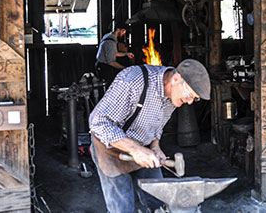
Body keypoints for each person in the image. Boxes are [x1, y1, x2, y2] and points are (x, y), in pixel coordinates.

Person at [88, 59, 210, 213]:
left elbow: (157, 125)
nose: (190, 101)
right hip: (110, 149)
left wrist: (155, 146)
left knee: (158, 200)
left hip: (143, 147)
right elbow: (98, 122)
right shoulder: (133, 80)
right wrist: (136, 150)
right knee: (122, 206)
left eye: (195, 98)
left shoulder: (173, 97)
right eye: (189, 94)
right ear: (176, 79)